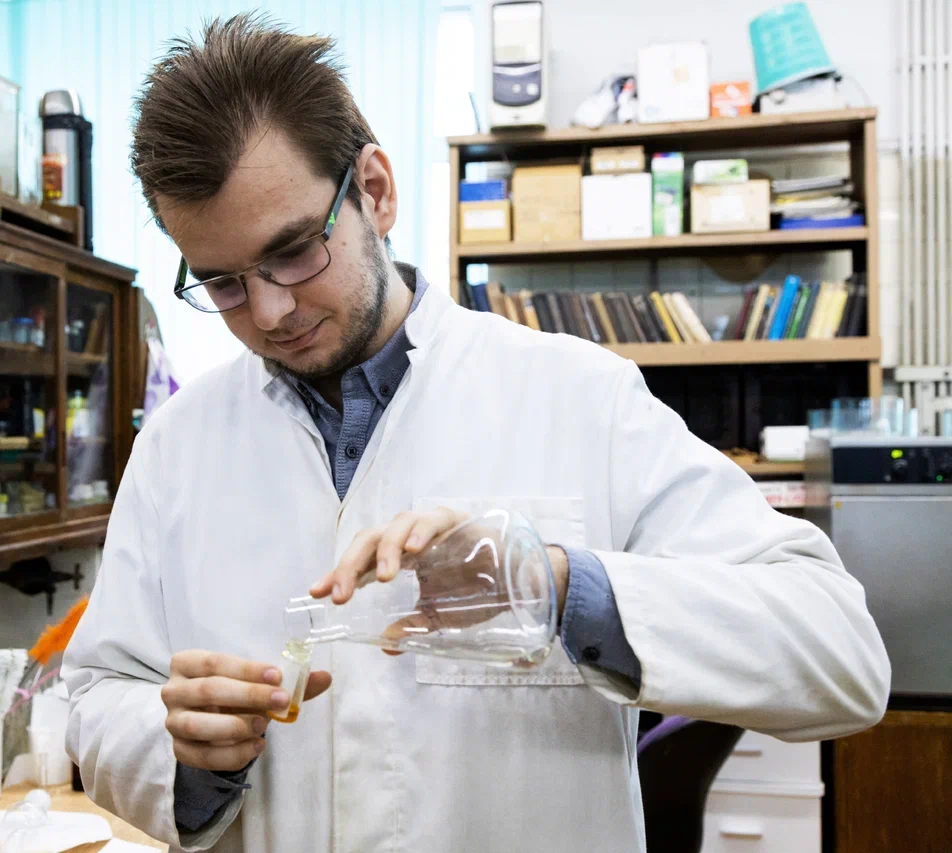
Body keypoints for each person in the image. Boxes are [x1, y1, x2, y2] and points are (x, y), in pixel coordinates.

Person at [63, 14, 889, 853]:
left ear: (375, 190)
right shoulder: (177, 446)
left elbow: (842, 653)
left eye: (295, 251)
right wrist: (182, 754)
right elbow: (96, 694)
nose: (271, 311)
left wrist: (558, 585)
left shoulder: (580, 396)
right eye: (225, 284)